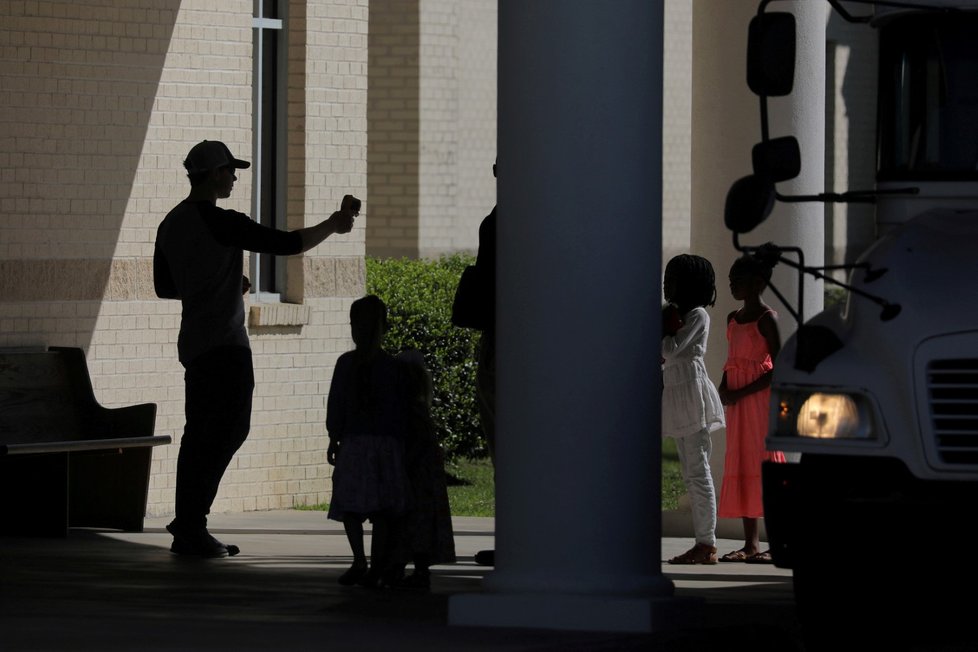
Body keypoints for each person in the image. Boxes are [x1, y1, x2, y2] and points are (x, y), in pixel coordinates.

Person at [154, 139, 357, 558]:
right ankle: (192, 524)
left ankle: (188, 523)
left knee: (199, 435)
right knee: (230, 429)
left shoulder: (171, 223)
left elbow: (165, 286)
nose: (234, 177)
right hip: (226, 345)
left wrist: (223, 282)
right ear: (212, 175)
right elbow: (288, 244)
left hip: (194, 344)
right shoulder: (224, 222)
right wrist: (334, 224)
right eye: (230, 170)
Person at [326, 295, 411, 588]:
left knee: (352, 506)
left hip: (356, 443)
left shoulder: (346, 364)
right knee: (382, 510)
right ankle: (376, 564)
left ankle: (360, 560)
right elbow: (402, 410)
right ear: (385, 327)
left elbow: (335, 405)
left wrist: (333, 436)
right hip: (384, 445)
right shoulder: (393, 367)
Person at [717, 252, 786, 564]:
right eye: (731, 281)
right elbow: (732, 359)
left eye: (738, 281)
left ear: (758, 283)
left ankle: (777, 541)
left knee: (764, 462)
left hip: (758, 401)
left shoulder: (766, 319)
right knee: (743, 460)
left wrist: (741, 390)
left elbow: (777, 368)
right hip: (738, 404)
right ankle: (751, 543)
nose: (733, 286)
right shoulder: (732, 318)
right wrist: (724, 385)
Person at [660, 254, 726, 565]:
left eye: (672, 279)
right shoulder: (677, 315)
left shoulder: (698, 316)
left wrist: (659, 328)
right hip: (677, 394)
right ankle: (702, 541)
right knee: (689, 472)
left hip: (692, 394)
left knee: (698, 471)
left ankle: (707, 542)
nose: (666, 284)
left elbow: (670, 350)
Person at [451, 159, 496, 567]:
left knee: (505, 440)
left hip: (503, 340)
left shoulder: (497, 223)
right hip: (517, 339)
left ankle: (518, 538)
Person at [391, 349, 457, 590]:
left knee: (409, 526)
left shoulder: (410, 413)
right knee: (416, 527)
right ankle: (414, 571)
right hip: (422, 480)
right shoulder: (419, 410)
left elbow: (414, 446)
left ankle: (409, 571)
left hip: (415, 479)